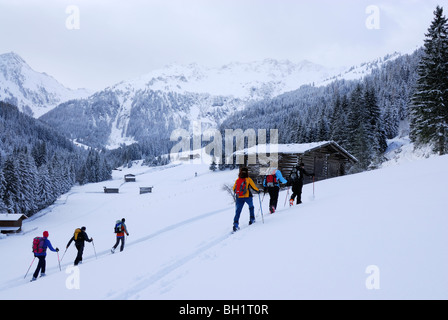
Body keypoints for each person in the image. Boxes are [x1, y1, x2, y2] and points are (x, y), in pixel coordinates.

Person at [232, 167, 259, 232]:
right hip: (247, 197)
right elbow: (254, 187)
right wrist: (258, 191)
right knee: (251, 207)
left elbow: (234, 189)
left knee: (238, 211)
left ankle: (236, 224)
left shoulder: (237, 180)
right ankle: (252, 219)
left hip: (239, 197)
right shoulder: (248, 179)